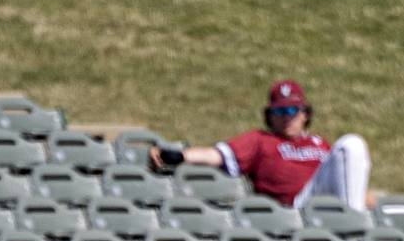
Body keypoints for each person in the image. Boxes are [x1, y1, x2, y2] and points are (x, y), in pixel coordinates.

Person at [149, 80, 371, 209]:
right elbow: (217, 155)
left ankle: (357, 222)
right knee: (351, 145)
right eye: (279, 111)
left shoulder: (320, 144)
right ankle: (357, 225)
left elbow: (344, 178)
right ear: (269, 115)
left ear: (305, 114)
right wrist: (180, 155)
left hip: (329, 205)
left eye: (292, 110)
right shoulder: (260, 140)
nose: (286, 117)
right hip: (297, 208)